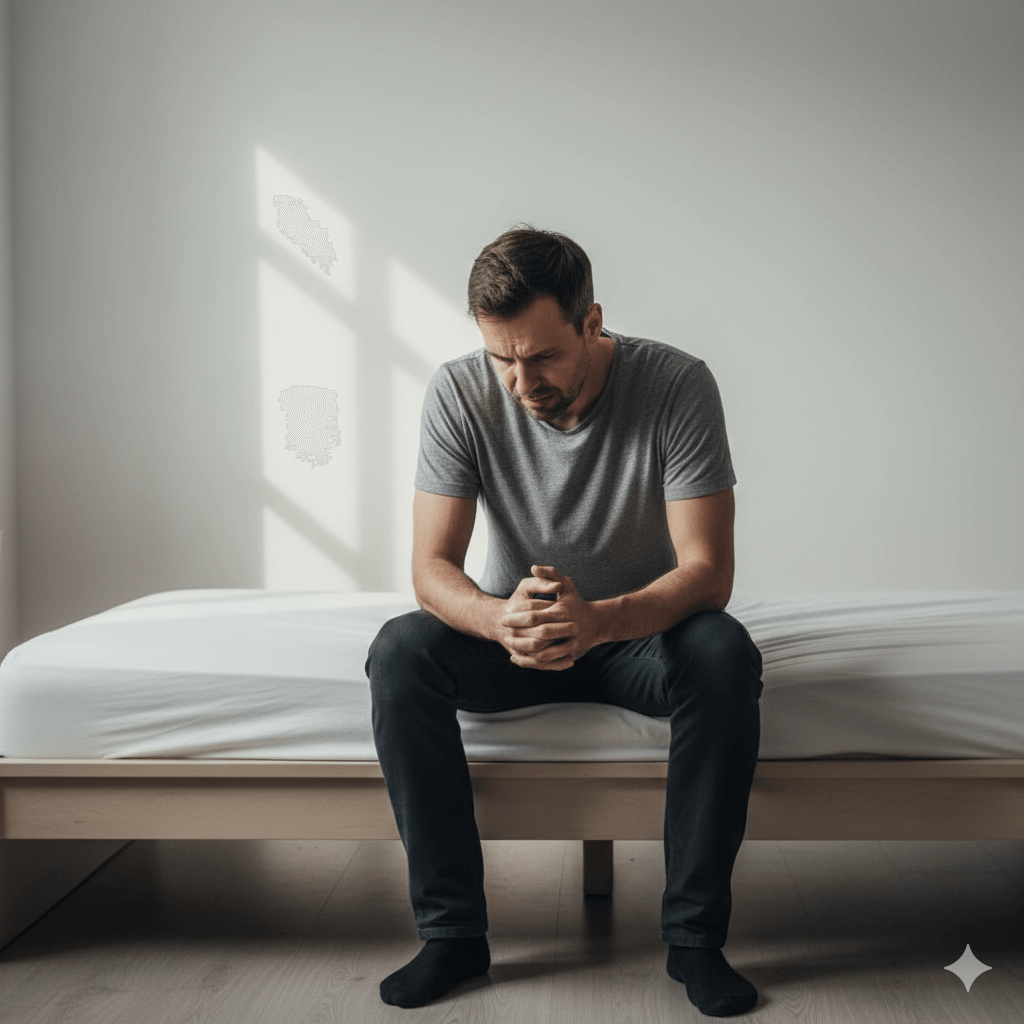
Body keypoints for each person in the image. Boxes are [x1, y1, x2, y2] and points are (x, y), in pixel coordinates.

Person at [364, 226, 764, 1017]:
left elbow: (707, 572)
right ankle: (452, 936)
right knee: (400, 651)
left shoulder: (677, 384)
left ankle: (695, 941)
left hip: (637, 636)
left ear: (592, 322)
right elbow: (431, 568)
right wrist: (496, 619)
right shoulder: (458, 392)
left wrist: (601, 621)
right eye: (501, 359)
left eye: (542, 356)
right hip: (514, 637)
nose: (520, 382)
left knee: (723, 652)